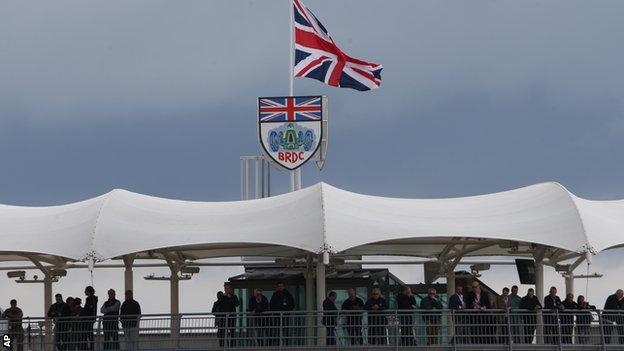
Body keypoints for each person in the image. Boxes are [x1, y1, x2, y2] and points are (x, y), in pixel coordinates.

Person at [269, 282, 295, 346]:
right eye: (279, 286)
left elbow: (292, 305)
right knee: (277, 330)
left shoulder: (288, 295)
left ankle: (286, 344)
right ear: (277, 287)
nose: (280, 287)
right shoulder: (275, 295)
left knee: (285, 330)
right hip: (277, 316)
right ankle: (277, 344)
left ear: (284, 287)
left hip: (285, 316)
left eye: (281, 286)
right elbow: (271, 305)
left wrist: (287, 312)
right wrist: (276, 312)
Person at [220, 283, 240, 347]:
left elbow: (237, 304)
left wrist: (230, 298)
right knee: (224, 332)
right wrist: (222, 297)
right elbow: (219, 305)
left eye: (227, 288)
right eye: (225, 288)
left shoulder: (234, 296)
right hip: (224, 317)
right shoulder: (222, 297)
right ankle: (225, 346)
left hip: (232, 317)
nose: (226, 290)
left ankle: (232, 346)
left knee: (232, 332)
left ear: (230, 289)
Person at [83, 286, 98, 351]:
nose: (84, 292)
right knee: (89, 333)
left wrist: (82, 314)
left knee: (87, 334)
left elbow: (87, 308)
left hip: (88, 319)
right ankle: (90, 347)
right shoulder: (94, 298)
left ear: (88, 291)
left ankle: (88, 348)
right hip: (91, 318)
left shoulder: (90, 299)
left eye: (85, 290)